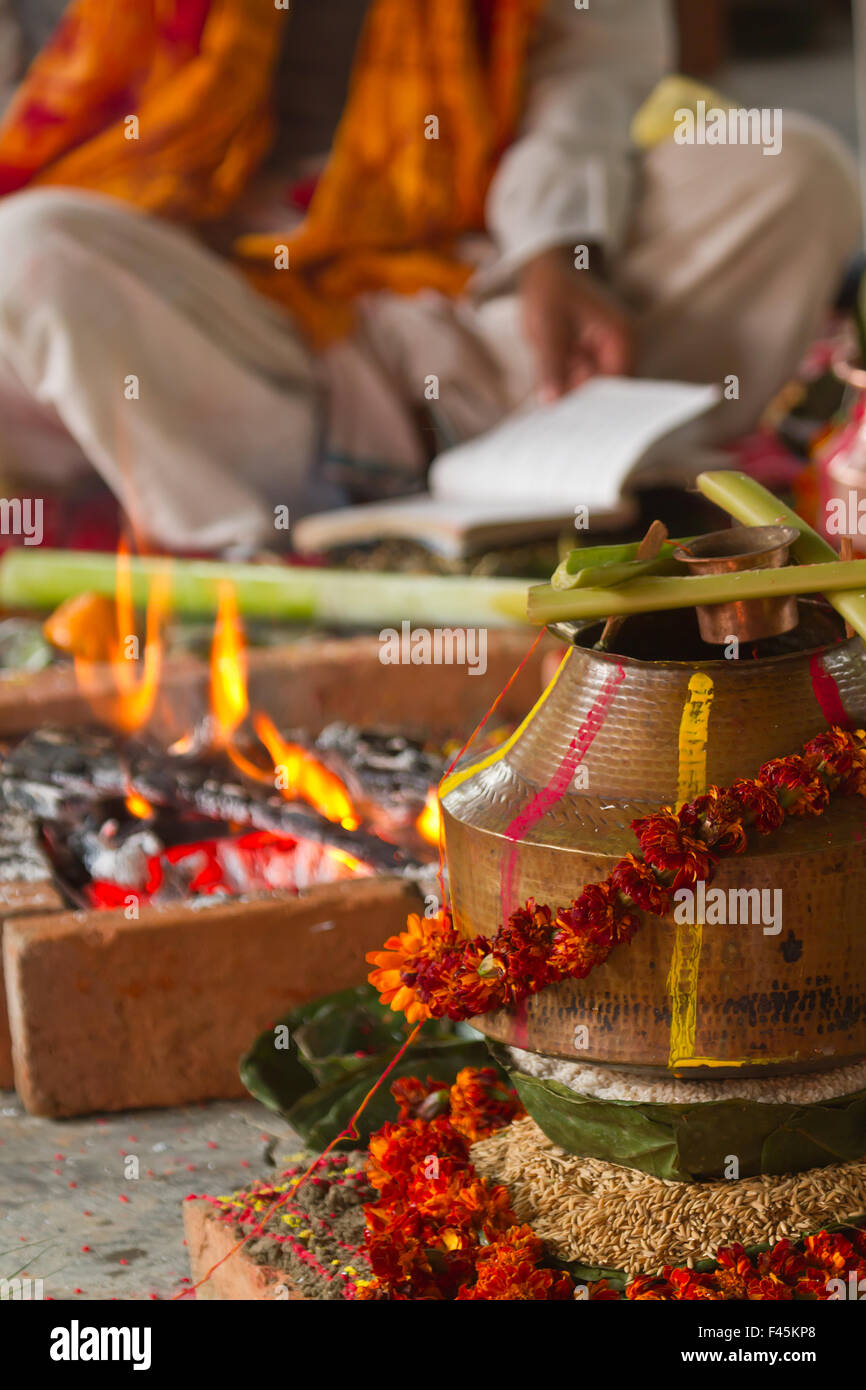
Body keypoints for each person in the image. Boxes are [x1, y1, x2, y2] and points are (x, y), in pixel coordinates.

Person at [0, 0, 857, 553]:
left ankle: (529, 464)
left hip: (478, 264)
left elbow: (591, 64)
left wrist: (561, 246)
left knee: (787, 166)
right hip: (207, 296)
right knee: (29, 252)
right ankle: (259, 551)